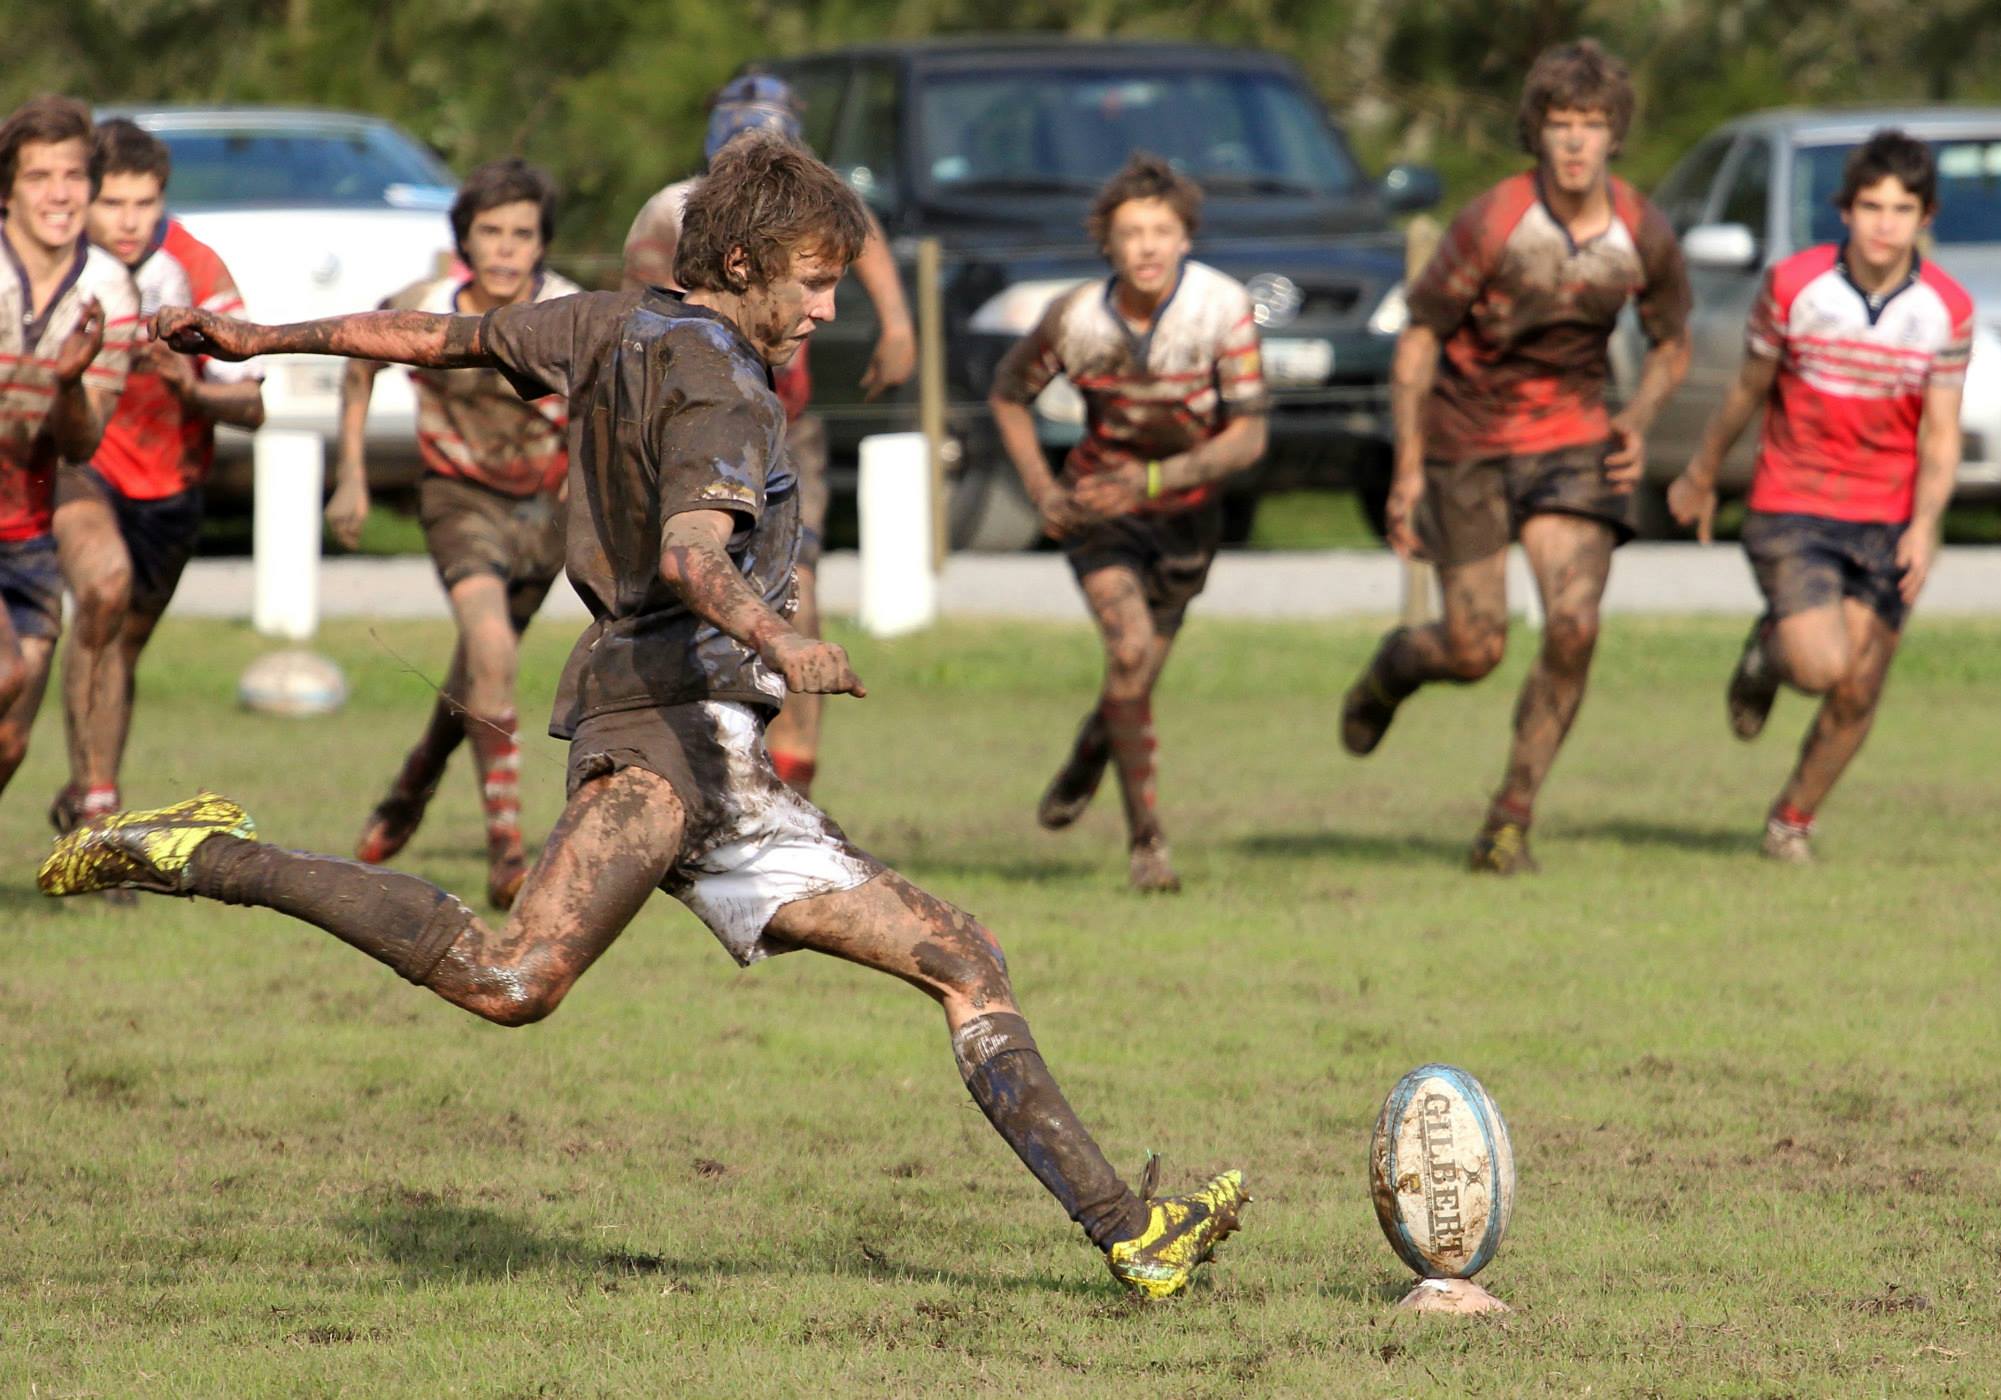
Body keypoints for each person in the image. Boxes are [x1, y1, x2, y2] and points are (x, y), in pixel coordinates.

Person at [42, 135, 1245, 1299]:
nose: (829, 312)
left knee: (962, 957)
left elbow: (437, 336)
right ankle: (213, 853)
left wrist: (264, 337)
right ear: (740, 267)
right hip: (666, 745)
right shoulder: (722, 385)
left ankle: (1132, 1230)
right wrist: (783, 637)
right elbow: (688, 552)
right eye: (815, 285)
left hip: (702, 751)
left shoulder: (614, 319)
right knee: (511, 979)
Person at [1336, 39, 1693, 873]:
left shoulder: (1640, 228)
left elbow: (1673, 344)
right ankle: (1396, 666)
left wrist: (1638, 417)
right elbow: (1421, 337)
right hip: (1469, 442)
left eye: (1592, 125)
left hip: (1573, 440)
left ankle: (1509, 820)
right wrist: (1410, 467)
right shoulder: (1495, 220)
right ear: (1537, 131)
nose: (1575, 142)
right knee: (1475, 647)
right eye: (1561, 124)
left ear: (1615, 134)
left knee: (1574, 625)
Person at [1666, 131, 1969, 863]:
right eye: (1870, 206)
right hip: (1794, 503)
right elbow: (1748, 388)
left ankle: (1790, 824)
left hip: (1888, 513)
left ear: (1925, 216)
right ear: (1844, 209)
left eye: (1901, 209)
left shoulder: (1947, 309)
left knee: (1860, 683)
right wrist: (1701, 471)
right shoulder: (1794, 286)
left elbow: (1940, 435)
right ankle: (1770, 653)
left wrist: (1925, 526)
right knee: (1822, 665)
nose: (1884, 224)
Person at [621, 72, 916, 799]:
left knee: (799, 590)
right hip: (704, 426)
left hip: (789, 425)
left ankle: (793, 794)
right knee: (695, 589)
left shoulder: (808, 204)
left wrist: (898, 319)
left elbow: (859, 232)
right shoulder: (672, 213)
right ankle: (706, 774)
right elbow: (632, 326)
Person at [989, 153, 1269, 892]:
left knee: (1133, 675)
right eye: (1131, 232)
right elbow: (1007, 394)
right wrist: (1045, 491)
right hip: (1099, 514)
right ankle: (1149, 845)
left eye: (1162, 230)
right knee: (1132, 650)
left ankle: (1092, 749)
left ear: (1186, 238)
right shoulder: (1075, 317)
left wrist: (1154, 477)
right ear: (1106, 244)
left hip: (1185, 519)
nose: (1147, 245)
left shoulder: (1222, 307)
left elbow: (1249, 436)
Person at [324, 159, 581, 909]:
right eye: (490, 233)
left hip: (547, 511)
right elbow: (356, 358)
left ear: (542, 245)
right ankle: (508, 853)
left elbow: (613, 392)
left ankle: (412, 784)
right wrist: (352, 473)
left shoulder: (567, 310)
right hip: (458, 499)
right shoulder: (427, 305)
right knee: (492, 649)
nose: (506, 250)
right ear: (464, 239)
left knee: (480, 674)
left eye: (522, 235)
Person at [50, 119, 264, 843]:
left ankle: (87, 781)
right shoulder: (58, 261)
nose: (130, 221)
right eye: (114, 203)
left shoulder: (196, 268)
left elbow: (254, 405)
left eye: (145, 204)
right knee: (101, 600)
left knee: (119, 649)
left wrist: (193, 389)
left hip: (170, 488)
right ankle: (98, 814)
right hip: (84, 470)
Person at [0, 96, 139, 803]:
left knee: (10, 739)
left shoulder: (109, 289)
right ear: (7, 191)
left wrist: (69, 381)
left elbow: (81, 442)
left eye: (74, 175)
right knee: (4, 676)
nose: (59, 192)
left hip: (28, 522)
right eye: (38, 176)